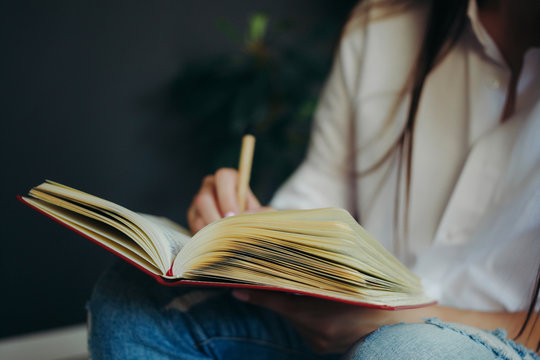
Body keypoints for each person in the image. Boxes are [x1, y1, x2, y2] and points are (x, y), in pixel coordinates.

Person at [87, 0, 540, 358]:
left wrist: (403, 320)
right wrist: (249, 226)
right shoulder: (384, 22)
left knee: (403, 352)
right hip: (349, 320)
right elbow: (319, 195)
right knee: (131, 300)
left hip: (492, 341)